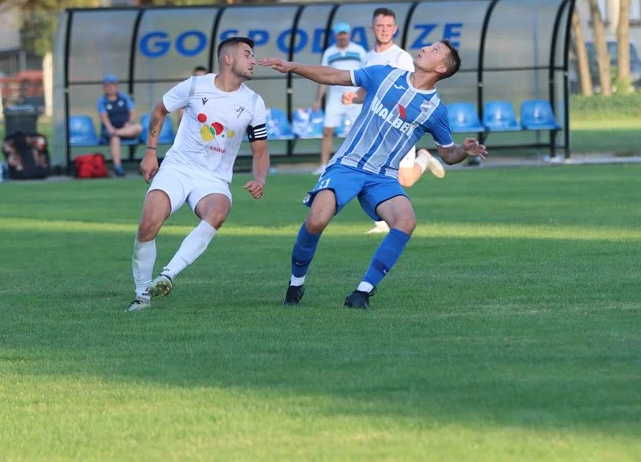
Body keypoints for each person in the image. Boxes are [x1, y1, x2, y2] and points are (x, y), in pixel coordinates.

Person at [260, 39, 487, 310]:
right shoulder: (384, 73)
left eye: (434, 50)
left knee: (406, 222)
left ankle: (362, 293)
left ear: (440, 68)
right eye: (429, 45)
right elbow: (334, 76)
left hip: (383, 177)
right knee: (316, 221)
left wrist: (464, 150)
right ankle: (296, 285)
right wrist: (293, 67)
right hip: (347, 165)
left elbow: (448, 155)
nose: (426, 48)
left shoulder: (435, 110)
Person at [127, 37, 269, 311]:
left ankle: (168, 275)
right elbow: (160, 109)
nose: (253, 60)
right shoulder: (194, 85)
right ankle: (142, 294)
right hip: (178, 167)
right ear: (228, 59)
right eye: (248, 54)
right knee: (148, 224)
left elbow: (260, 150)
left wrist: (260, 178)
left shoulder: (254, 102)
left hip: (214, 179)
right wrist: (150, 151)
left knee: (217, 212)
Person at [340, 8, 445, 234]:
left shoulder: (402, 58)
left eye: (388, 26)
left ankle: (424, 158)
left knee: (404, 179)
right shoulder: (367, 57)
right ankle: (382, 220)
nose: (384, 30)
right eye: (380, 26)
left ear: (395, 29)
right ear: (372, 29)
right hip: (374, 128)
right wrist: (353, 96)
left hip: (398, 128)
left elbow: (410, 91)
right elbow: (367, 90)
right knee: (368, 169)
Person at [313, 22, 366, 174]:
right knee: (327, 131)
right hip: (335, 98)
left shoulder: (359, 50)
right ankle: (324, 165)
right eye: (339, 34)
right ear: (335, 35)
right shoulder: (329, 53)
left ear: (349, 34)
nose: (342, 36)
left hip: (355, 96)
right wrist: (318, 100)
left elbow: (366, 74)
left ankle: (359, 163)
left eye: (345, 33)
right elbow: (323, 77)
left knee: (360, 131)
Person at [97, 74, 142, 177]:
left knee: (138, 127)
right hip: (109, 131)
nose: (110, 87)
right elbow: (104, 117)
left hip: (125, 129)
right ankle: (118, 167)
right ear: (104, 87)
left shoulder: (124, 98)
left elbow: (132, 112)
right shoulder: (102, 101)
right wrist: (110, 128)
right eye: (108, 85)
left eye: (112, 85)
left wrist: (128, 123)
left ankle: (117, 133)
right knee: (115, 138)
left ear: (117, 86)